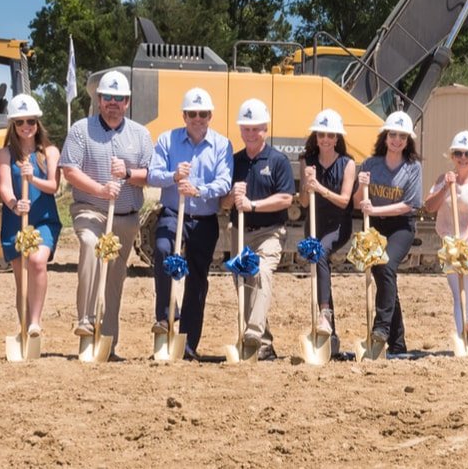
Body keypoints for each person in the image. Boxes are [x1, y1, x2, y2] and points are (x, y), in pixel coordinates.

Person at [61, 71, 152, 356]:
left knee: (114, 278)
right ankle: (86, 320)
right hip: (91, 210)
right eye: (107, 97)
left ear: (127, 102)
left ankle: (107, 343)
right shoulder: (80, 130)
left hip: (125, 218)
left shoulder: (141, 134)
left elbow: (149, 175)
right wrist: (101, 190)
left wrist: (127, 173)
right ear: (99, 100)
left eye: (119, 98)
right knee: (90, 245)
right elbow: (70, 170)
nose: (112, 102)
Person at [147, 87, 232, 359]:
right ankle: (164, 317)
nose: (198, 118)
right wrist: (174, 176)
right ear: (184, 115)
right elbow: (152, 175)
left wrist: (198, 189)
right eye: (192, 113)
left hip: (205, 220)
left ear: (210, 116)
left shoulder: (222, 144)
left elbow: (224, 182)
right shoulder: (167, 140)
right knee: (162, 248)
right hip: (173, 213)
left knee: (197, 278)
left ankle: (188, 343)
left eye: (203, 114)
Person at [222, 99, 295, 360]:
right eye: (246, 129)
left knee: (261, 272)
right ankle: (263, 344)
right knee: (244, 284)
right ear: (241, 130)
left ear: (265, 128)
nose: (251, 133)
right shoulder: (234, 161)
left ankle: (251, 332)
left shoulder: (277, 160)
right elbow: (223, 203)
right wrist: (232, 196)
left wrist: (252, 204)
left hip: (270, 232)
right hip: (240, 232)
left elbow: (286, 198)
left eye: (256, 128)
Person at [354, 111, 423, 354]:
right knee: (385, 278)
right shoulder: (370, 164)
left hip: (401, 226)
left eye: (402, 136)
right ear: (385, 137)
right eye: (393, 135)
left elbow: (411, 204)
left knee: (385, 266)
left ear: (408, 141)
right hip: (376, 225)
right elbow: (357, 203)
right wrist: (362, 186)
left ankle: (381, 328)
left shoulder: (413, 167)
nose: (396, 140)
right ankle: (398, 343)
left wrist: (377, 208)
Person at [0, 94, 62, 339]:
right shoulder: (4, 154)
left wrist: (32, 178)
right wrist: (14, 204)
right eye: (20, 122)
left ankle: (35, 322)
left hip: (43, 219)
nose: (26, 127)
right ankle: (24, 328)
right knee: (21, 276)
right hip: (16, 220)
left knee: (36, 262)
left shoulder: (50, 152)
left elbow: (54, 186)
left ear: (37, 124)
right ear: (13, 125)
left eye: (31, 122)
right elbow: (4, 188)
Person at [425, 131, 468, 340]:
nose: (463, 158)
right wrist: (446, 188)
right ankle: (462, 334)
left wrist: (463, 242)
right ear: (452, 156)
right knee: (457, 287)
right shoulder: (443, 179)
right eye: (458, 153)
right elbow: (429, 206)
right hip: (450, 239)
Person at [299, 109, 355, 355]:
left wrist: (319, 188)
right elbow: (302, 202)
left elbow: (344, 200)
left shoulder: (348, 163)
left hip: (338, 226)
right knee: (321, 267)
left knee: (321, 255)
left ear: (337, 138)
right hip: (314, 224)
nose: (326, 140)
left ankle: (324, 313)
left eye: (331, 135)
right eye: (322, 134)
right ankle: (330, 335)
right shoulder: (307, 161)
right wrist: (306, 184)